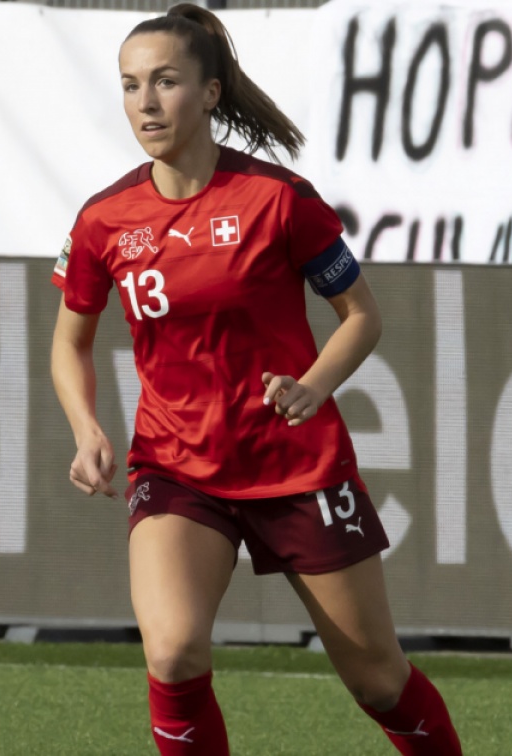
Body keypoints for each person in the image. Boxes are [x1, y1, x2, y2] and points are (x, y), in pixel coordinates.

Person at [48, 5, 461, 754]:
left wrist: (314, 385)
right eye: (131, 85)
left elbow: (362, 316)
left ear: (210, 93)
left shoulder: (278, 199)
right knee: (173, 652)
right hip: (177, 467)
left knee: (378, 679)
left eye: (165, 81)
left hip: (296, 467)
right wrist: (86, 430)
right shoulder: (104, 220)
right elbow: (68, 343)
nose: (145, 102)